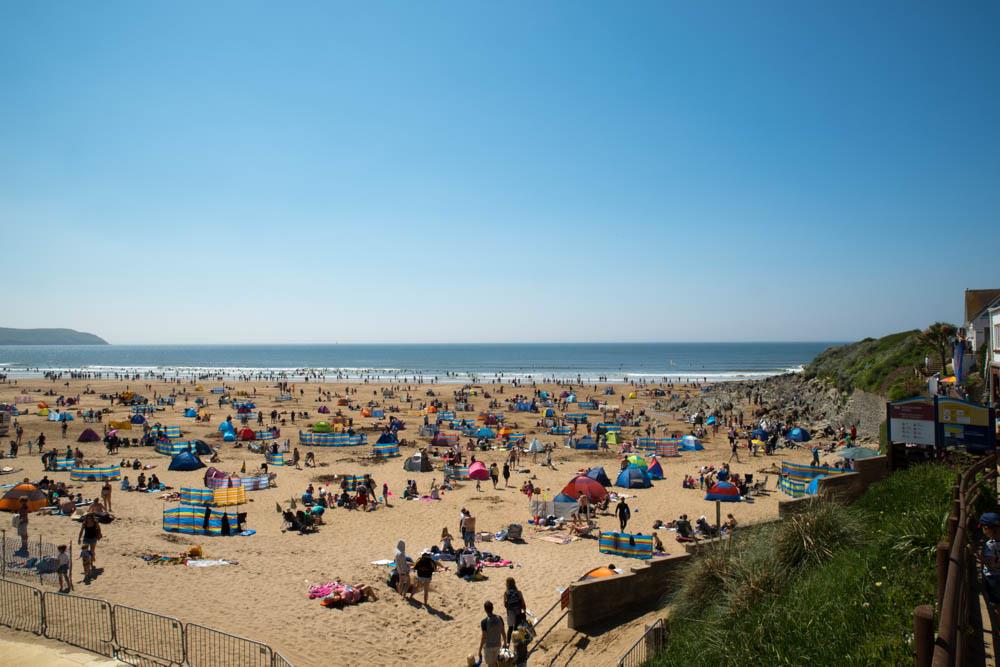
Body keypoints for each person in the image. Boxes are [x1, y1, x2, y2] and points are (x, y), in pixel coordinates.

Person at [478, 600, 506, 667]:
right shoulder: (499, 618)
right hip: (498, 645)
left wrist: (479, 650)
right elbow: (503, 632)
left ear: (485, 610)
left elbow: (483, 637)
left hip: (488, 647)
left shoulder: (484, 622)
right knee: (497, 662)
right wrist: (505, 642)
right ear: (492, 608)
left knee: (491, 665)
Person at [981, 513, 1000, 606]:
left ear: (986, 528)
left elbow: (990, 563)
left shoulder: (989, 544)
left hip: (993, 578)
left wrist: (981, 559)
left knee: (995, 603)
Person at [503, 578, 526, 643]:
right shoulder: (518, 592)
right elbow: (523, 603)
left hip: (510, 613)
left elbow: (505, 605)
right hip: (518, 613)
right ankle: (522, 642)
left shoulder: (506, 593)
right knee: (520, 628)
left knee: (510, 628)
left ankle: (507, 644)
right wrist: (524, 611)